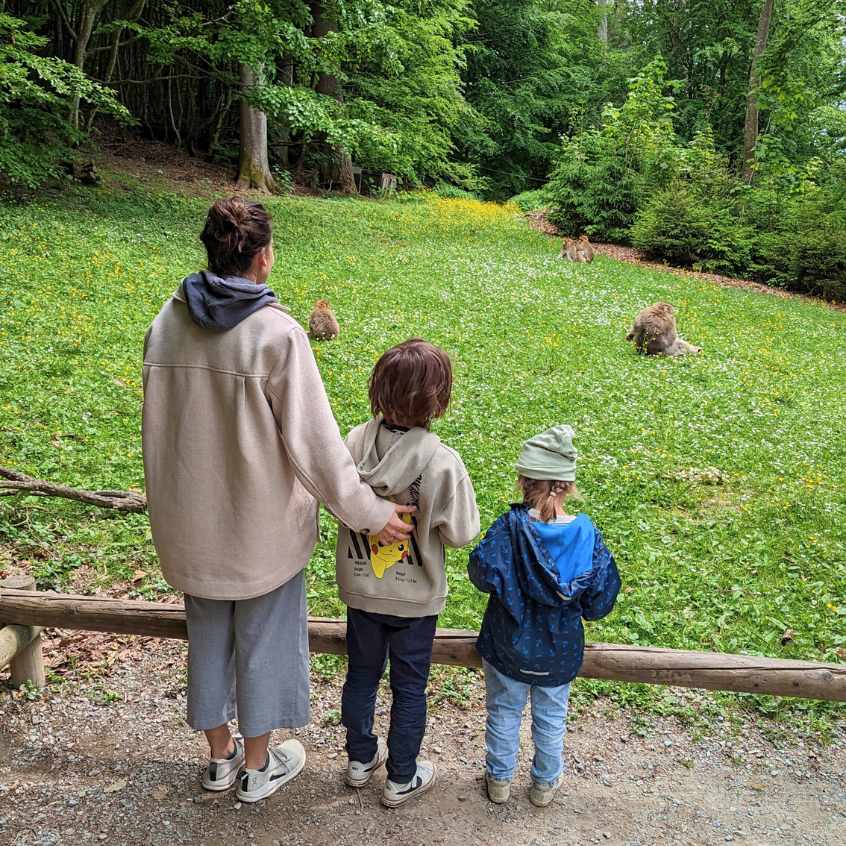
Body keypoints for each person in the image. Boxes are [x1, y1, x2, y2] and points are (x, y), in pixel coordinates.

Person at [142, 197, 413, 804]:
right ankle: (258, 767)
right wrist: (373, 516)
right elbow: (318, 450)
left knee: (207, 639)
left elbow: (156, 428)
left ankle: (219, 759)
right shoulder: (276, 335)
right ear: (263, 257)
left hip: (188, 527)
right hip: (261, 533)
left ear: (210, 251)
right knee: (264, 644)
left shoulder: (166, 323)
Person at [335, 339, 480, 807]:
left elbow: (333, 497)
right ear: (438, 400)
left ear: (378, 388)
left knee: (360, 676)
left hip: (361, 590)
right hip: (416, 601)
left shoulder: (352, 444)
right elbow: (461, 534)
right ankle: (401, 776)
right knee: (409, 686)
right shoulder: (441, 462)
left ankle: (359, 761)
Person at [468, 425, 620, 807]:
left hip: (508, 646)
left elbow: (481, 574)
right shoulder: (587, 535)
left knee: (503, 713)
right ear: (567, 486)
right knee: (552, 719)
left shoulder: (509, 528)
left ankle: (499, 781)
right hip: (559, 651)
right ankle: (543, 786)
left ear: (523, 481)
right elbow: (600, 601)